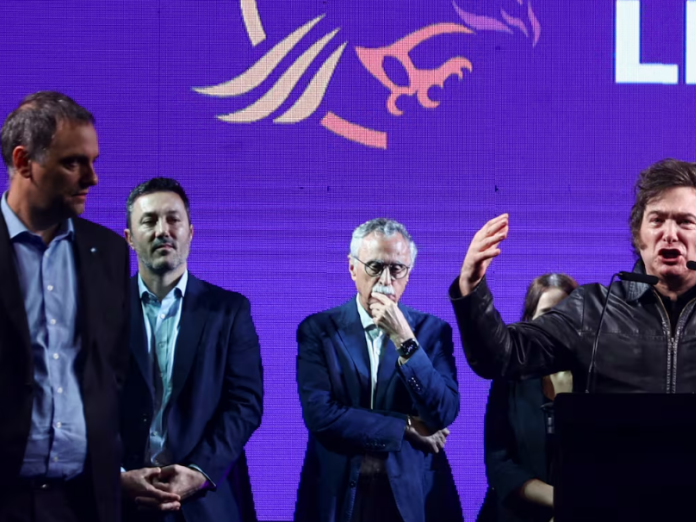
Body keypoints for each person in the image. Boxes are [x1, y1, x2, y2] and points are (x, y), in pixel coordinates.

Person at [450, 158, 696, 393]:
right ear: (638, 236)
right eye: (657, 220)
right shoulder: (592, 309)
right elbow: (503, 357)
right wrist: (472, 288)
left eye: (685, 222)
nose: (669, 234)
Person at [0, 91, 130, 522]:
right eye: (73, 163)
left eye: (93, 161)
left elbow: (113, 369)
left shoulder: (109, 252)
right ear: (24, 161)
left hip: (83, 502)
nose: (92, 178)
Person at [295, 218, 462, 522]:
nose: (385, 280)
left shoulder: (433, 332)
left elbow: (443, 413)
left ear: (408, 274)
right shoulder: (318, 330)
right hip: (339, 496)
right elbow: (321, 415)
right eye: (375, 267)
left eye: (397, 269)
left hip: (413, 495)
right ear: (352, 268)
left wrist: (405, 340)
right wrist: (405, 427)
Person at [119, 178, 263, 521]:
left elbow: (245, 403)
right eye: (149, 221)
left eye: (173, 219)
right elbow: (80, 407)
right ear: (129, 237)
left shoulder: (229, 310)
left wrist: (199, 471)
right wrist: (117, 475)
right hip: (118, 502)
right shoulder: (97, 308)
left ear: (190, 232)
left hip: (204, 505)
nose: (163, 230)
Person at [477, 274, 578, 522]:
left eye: (565, 314)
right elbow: (499, 463)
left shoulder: (597, 379)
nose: (557, 324)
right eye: (547, 314)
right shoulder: (509, 379)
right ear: (529, 321)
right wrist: (560, 500)